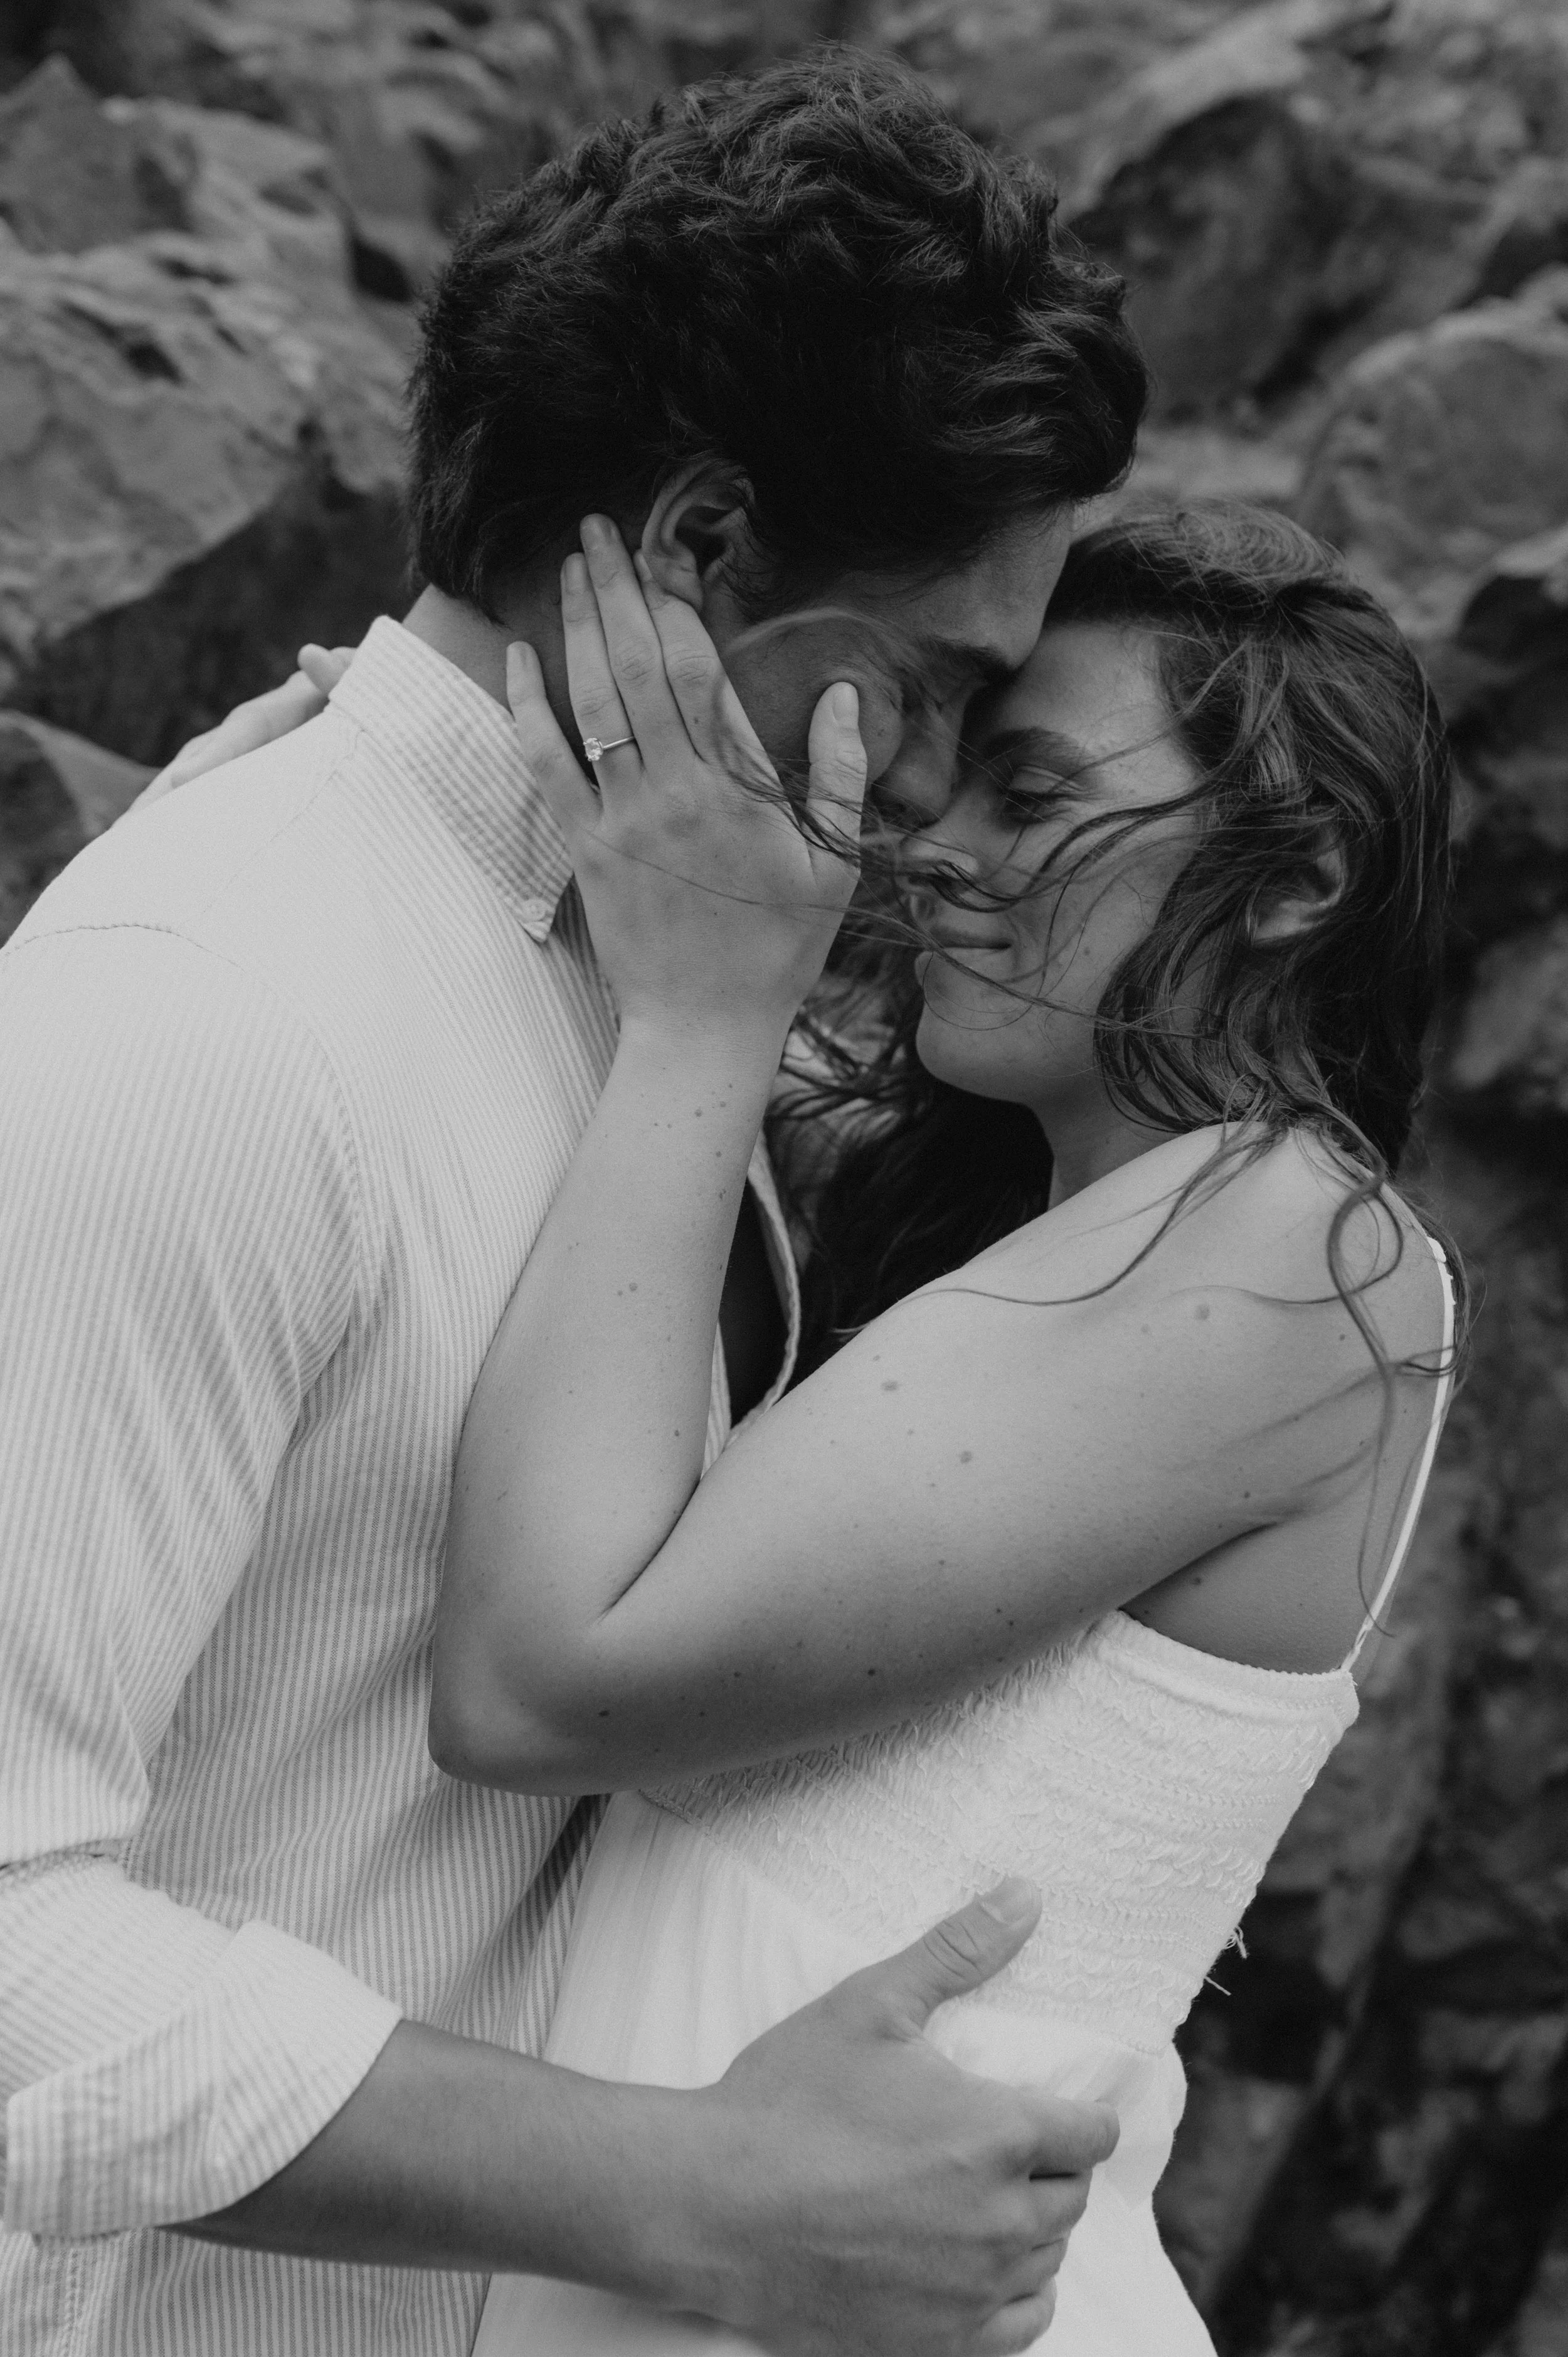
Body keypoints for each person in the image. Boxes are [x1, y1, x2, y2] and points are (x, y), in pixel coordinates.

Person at [0, 52, 1145, 2357]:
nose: (921, 791)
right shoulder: (204, 1014)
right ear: (703, 543)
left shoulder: (650, 961)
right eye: (925, 686)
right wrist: (691, 2194)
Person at [399, 501, 1456, 2357]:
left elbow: (542, 1679)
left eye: (1032, 795)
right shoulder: (1077, 1242)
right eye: (946, 787)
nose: (932, 853)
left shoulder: (1296, 1251)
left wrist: (707, 1013)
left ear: (1293, 881)